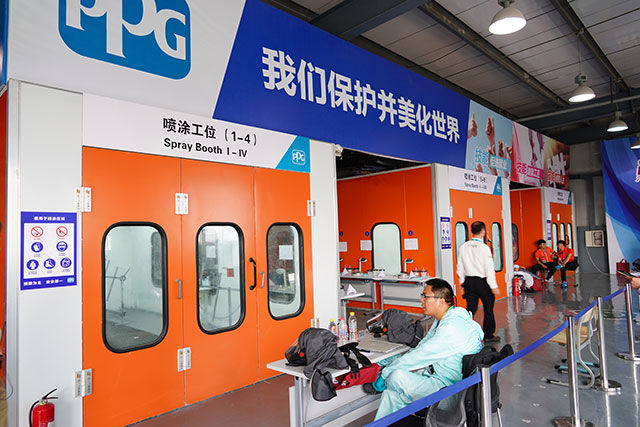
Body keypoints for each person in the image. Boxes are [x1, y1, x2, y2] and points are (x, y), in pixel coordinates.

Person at [365, 279, 483, 421]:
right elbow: (422, 347)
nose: (421, 300)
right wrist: (392, 361)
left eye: (425, 296)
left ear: (441, 301)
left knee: (396, 376)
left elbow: (420, 356)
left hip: (450, 393)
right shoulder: (445, 320)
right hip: (439, 381)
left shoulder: (451, 328)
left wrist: (385, 374)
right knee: (391, 394)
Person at [457, 221, 501, 342]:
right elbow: (489, 268)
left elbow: (459, 267)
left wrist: (462, 282)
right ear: (483, 231)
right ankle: (488, 335)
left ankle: (463, 332)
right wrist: (493, 286)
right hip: (483, 283)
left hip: (469, 282)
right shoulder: (484, 248)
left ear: (472, 231)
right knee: (488, 309)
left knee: (471, 309)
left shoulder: (463, 247)